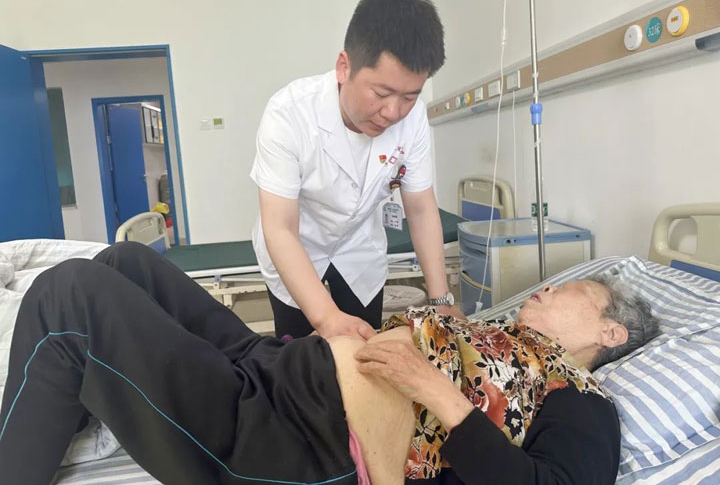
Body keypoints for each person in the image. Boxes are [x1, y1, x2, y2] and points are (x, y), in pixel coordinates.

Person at [0, 243, 660, 485]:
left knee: (67, 299)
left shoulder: (580, 396)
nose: (545, 289)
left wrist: (432, 387)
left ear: (608, 330)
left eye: (571, 290)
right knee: (125, 263)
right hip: (284, 370)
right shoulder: (503, 337)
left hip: (301, 443)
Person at [250, 0, 456, 341]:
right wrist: (327, 319)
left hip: (359, 249)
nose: (393, 112)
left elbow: (421, 209)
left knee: (368, 349)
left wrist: (440, 300)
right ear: (344, 67)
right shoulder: (288, 114)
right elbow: (280, 228)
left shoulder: (413, 119)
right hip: (298, 246)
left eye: (410, 96)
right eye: (381, 93)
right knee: (300, 354)